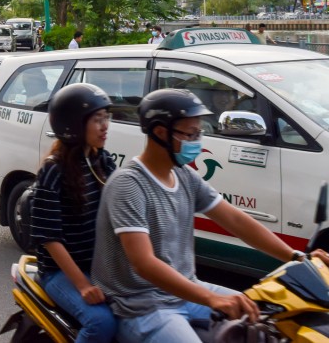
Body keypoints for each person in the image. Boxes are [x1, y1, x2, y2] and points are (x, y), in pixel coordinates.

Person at [91, 89, 329, 342]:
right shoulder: (128, 185)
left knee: (264, 321)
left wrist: (297, 258)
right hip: (142, 304)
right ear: (160, 133)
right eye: (191, 134)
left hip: (187, 290)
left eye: (199, 132)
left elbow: (235, 220)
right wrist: (211, 298)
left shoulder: (184, 175)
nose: (197, 140)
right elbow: (144, 263)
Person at [32, 83, 117, 343]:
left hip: (98, 264)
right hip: (59, 272)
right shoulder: (54, 171)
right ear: (73, 125)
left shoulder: (102, 161)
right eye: (96, 119)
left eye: (106, 118)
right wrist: (82, 285)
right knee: (101, 323)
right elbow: (49, 238)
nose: (105, 126)